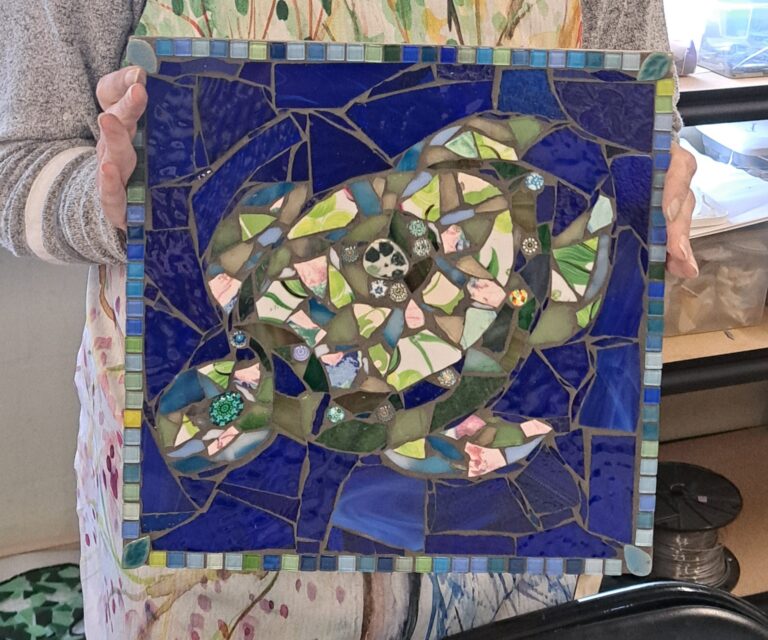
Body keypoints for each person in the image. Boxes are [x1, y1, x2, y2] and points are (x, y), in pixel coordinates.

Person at [0, 1, 699, 638]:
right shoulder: (241, 277)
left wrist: (658, 173)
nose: (223, 406)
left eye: (209, 406)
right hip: (211, 590)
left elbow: (638, 109)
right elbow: (18, 164)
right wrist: (107, 198)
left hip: (513, 566)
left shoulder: (236, 273)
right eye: (220, 427)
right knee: (557, 300)